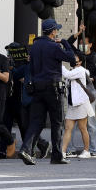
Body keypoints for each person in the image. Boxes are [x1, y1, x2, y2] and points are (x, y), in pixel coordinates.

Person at [20, 19, 75, 165]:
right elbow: (71, 58)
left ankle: (26, 149)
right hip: (53, 88)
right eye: (56, 30)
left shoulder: (35, 46)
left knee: (36, 121)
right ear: (53, 32)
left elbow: (31, 67)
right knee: (57, 122)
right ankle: (57, 155)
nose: (57, 32)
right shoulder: (54, 46)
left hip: (38, 87)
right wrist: (65, 43)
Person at [6, 48, 51, 160]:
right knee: (26, 126)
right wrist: (10, 68)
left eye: (30, 55)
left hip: (36, 100)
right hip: (25, 101)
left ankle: (31, 150)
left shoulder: (42, 67)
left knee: (32, 126)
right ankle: (42, 145)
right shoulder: (27, 66)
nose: (28, 57)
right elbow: (16, 74)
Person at [68, 31, 96, 156]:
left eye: (85, 43)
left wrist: (92, 79)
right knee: (72, 121)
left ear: (91, 44)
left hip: (89, 91)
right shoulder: (78, 55)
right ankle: (69, 149)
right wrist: (78, 33)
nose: (82, 45)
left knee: (91, 122)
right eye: (81, 43)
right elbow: (68, 43)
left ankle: (94, 149)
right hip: (76, 91)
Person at [62, 55, 93, 158]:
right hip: (72, 104)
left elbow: (67, 74)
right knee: (68, 128)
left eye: (75, 60)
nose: (73, 62)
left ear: (80, 62)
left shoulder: (80, 70)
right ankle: (62, 151)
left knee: (82, 128)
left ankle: (87, 151)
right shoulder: (73, 70)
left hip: (81, 103)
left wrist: (58, 62)